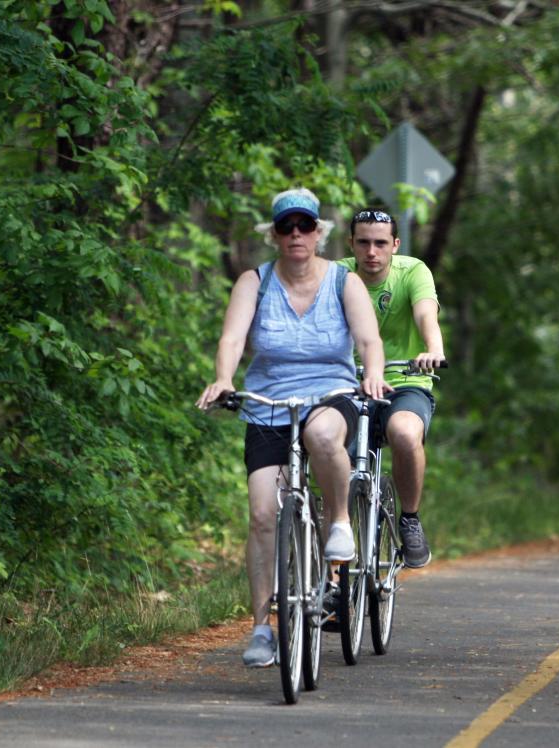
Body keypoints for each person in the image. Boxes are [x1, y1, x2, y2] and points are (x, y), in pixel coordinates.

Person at [196, 188, 389, 668]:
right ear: (275, 235)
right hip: (269, 405)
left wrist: (372, 373)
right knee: (263, 514)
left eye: (305, 226)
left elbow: (369, 339)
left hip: (330, 397)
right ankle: (262, 628)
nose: (296, 235)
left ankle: (340, 522)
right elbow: (232, 337)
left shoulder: (344, 283)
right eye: (287, 227)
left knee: (323, 437)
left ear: (319, 232)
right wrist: (223, 379)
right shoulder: (254, 282)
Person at [338, 208, 445, 569]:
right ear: (351, 243)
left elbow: (425, 313)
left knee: (403, 432)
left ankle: (409, 518)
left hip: (405, 379)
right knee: (328, 447)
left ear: (394, 245)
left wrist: (433, 350)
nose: (372, 251)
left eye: (381, 243)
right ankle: (328, 564)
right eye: (363, 242)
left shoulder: (412, 271)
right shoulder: (336, 274)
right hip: (349, 382)